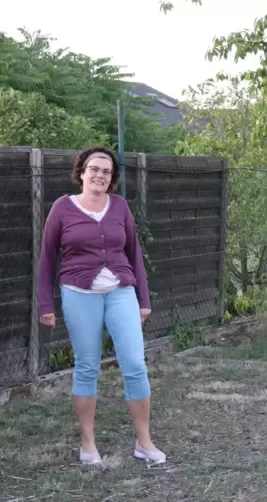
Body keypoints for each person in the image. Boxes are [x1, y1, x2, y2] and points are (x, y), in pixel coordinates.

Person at [37, 147, 166, 465]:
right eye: (94, 169)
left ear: (112, 179)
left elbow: (135, 253)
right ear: (81, 172)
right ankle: (88, 444)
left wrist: (143, 300)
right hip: (79, 293)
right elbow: (47, 257)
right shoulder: (62, 209)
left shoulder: (120, 206)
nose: (99, 175)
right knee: (87, 366)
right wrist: (45, 304)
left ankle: (144, 443)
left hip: (121, 292)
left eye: (106, 172)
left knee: (135, 366)